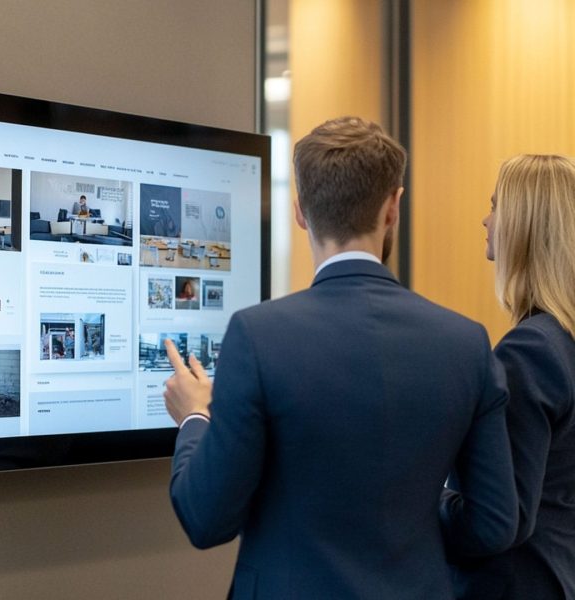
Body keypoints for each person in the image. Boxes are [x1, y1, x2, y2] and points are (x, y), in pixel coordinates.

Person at [163, 116, 518, 599]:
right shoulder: (465, 343)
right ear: (393, 207)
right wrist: (410, 522)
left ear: (300, 212)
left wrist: (194, 419)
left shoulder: (259, 336)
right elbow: (494, 525)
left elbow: (205, 519)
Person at [449, 155, 575, 599]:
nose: (486, 219)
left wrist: (426, 504)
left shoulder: (531, 351)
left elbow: (500, 519)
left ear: (525, 224)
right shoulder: (563, 342)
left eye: (496, 205)